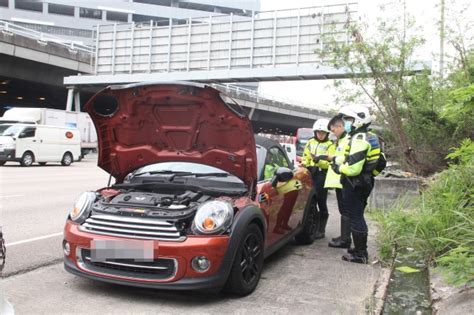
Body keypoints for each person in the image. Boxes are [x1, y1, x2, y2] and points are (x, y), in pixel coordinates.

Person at [330, 105, 382, 264]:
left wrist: (339, 168)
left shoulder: (360, 139)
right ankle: (358, 248)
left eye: (349, 119)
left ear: (359, 120)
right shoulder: (369, 136)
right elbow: (355, 158)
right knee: (356, 215)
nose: (346, 122)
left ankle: (360, 253)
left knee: (356, 217)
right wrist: (336, 159)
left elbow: (353, 168)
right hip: (363, 182)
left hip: (355, 183)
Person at [302, 118, 335, 239]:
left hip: (322, 175)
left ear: (327, 133)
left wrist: (319, 161)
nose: (320, 135)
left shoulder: (330, 145)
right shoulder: (310, 142)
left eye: (323, 133)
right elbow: (305, 156)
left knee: (321, 201)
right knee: (311, 201)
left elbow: (330, 163)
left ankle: (321, 230)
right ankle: (312, 226)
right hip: (310, 172)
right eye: (318, 132)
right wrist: (306, 163)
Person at [324, 116, 352, 249]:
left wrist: (332, 157)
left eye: (333, 129)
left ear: (340, 127)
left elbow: (344, 158)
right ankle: (344, 236)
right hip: (339, 180)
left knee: (346, 210)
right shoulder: (341, 140)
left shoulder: (347, 140)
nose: (333, 132)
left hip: (344, 180)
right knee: (343, 210)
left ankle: (345, 240)